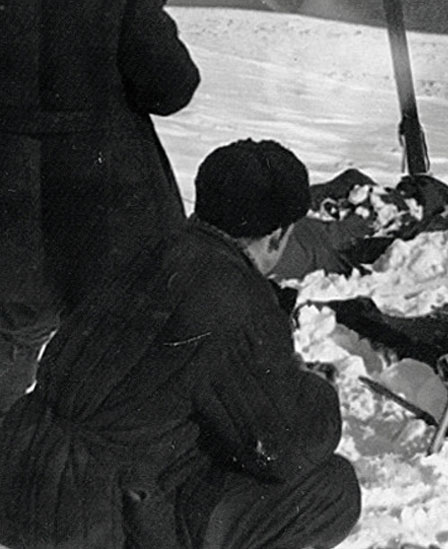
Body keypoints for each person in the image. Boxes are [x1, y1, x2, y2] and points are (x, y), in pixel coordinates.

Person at [0, 139, 361, 548]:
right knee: (331, 489)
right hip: (92, 516)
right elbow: (282, 448)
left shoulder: (144, 250)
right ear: (277, 236)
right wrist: (318, 392)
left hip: (21, 470)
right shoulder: (234, 294)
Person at [0, 0, 200, 414]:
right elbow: (171, 87)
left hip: (11, 192)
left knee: (10, 337)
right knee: (112, 352)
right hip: (104, 201)